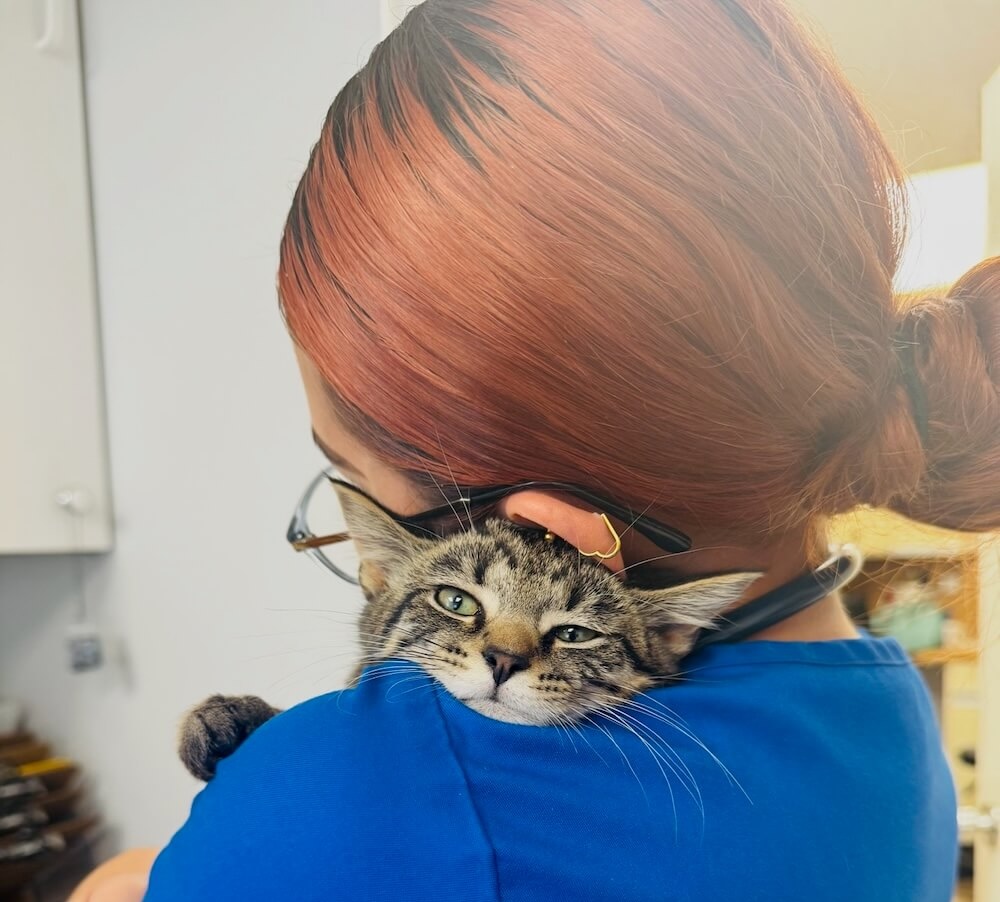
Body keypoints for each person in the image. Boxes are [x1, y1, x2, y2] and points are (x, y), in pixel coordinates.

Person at [71, 0, 1000, 899]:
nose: (362, 554)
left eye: (354, 479)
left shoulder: (345, 800)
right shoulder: (890, 712)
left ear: (559, 534)